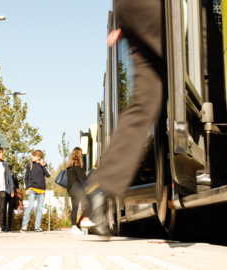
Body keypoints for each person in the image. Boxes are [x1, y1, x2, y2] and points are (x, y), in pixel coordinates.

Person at [78, 0, 168, 236]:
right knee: (209, 59)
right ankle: (218, 165)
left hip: (130, 7)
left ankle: (99, 187)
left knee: (145, 100)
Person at [20, 150, 51, 233]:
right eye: (32, 155)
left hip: (41, 190)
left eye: (34, 156)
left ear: (39, 157)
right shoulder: (30, 164)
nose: (32, 157)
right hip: (32, 188)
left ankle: (37, 227)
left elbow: (48, 175)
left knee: (39, 209)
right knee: (30, 207)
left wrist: (44, 165)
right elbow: (26, 177)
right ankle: (24, 226)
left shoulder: (44, 165)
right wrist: (26, 188)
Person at [66, 147, 87, 235]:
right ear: (79, 154)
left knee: (74, 208)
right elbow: (81, 178)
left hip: (71, 189)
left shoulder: (69, 165)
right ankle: (78, 225)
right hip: (78, 189)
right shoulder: (78, 164)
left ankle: (75, 227)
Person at [3, 165, 20, 232]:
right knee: (4, 211)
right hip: (5, 195)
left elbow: (17, 187)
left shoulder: (14, 177)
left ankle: (8, 227)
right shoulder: (3, 178)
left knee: (10, 212)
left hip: (12, 196)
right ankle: (4, 226)